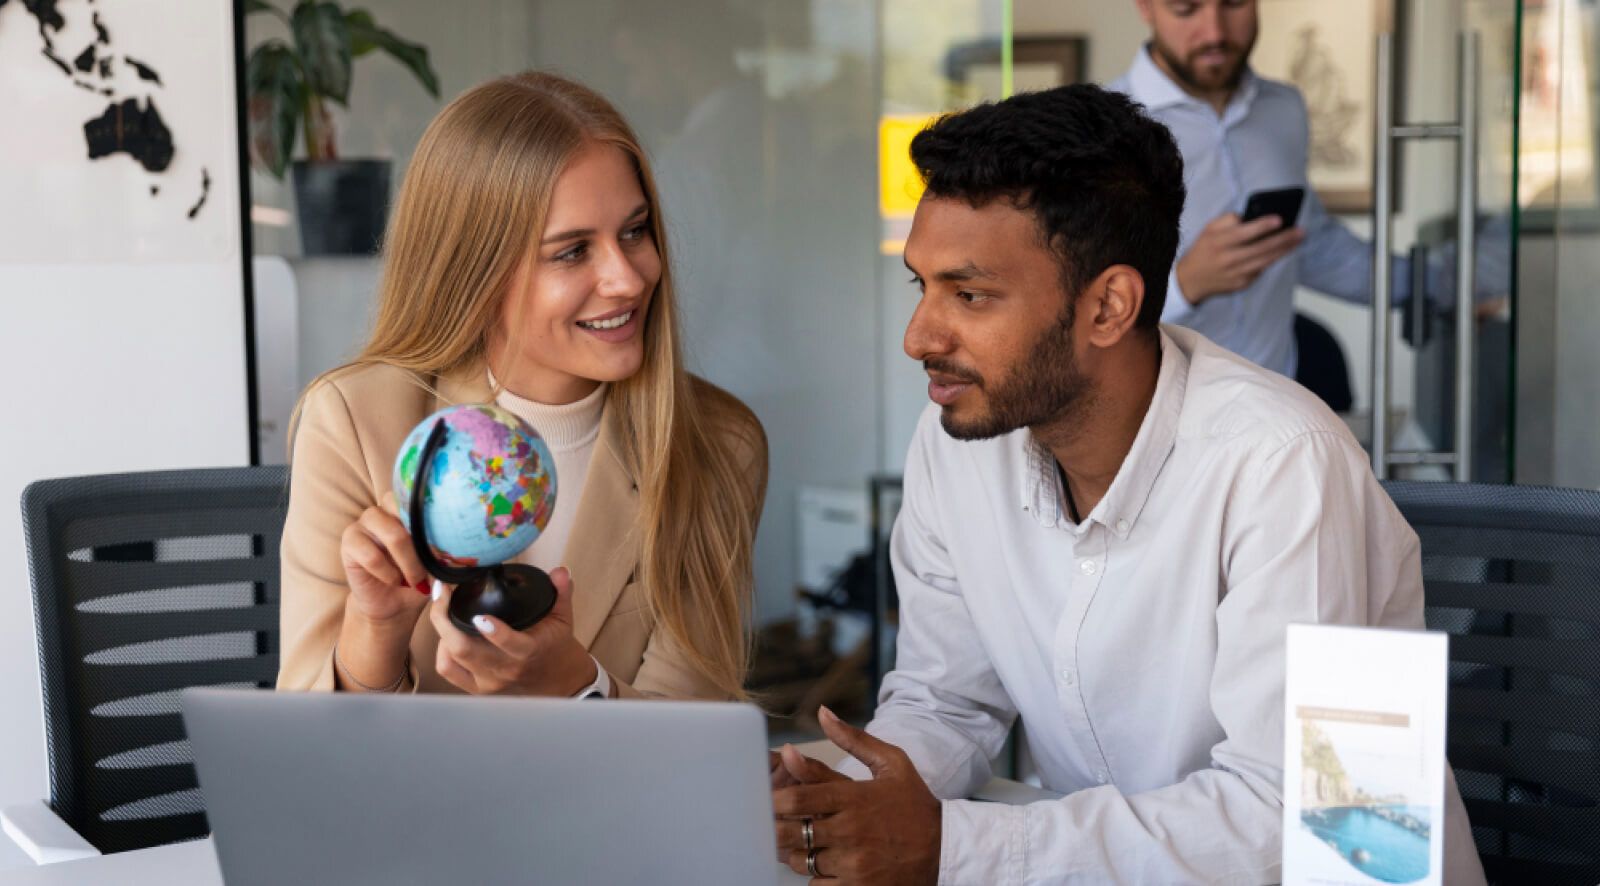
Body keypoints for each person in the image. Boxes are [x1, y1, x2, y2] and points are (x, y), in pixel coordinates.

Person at [769, 84, 1485, 884]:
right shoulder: (963, 439)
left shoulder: (1288, 464)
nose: (919, 337)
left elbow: (1313, 819)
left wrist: (953, 849)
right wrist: (842, 804)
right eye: (922, 286)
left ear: (1108, 306)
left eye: (969, 295)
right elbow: (947, 703)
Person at [276, 71, 767, 703]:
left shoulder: (718, 444)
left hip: (608, 805)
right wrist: (374, 630)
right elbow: (308, 759)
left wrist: (577, 688)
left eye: (635, 231)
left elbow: (694, 735)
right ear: (474, 271)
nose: (628, 278)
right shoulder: (356, 421)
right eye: (571, 252)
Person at [1109, 0, 1503, 400]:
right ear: (1145, 6)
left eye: (1234, 4)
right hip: (1160, 421)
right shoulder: (1106, 128)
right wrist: (1184, 284)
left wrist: (1445, 288)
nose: (1215, 32)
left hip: (1277, 407)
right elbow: (1072, 306)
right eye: (1186, 8)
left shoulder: (1284, 110)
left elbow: (1315, 247)